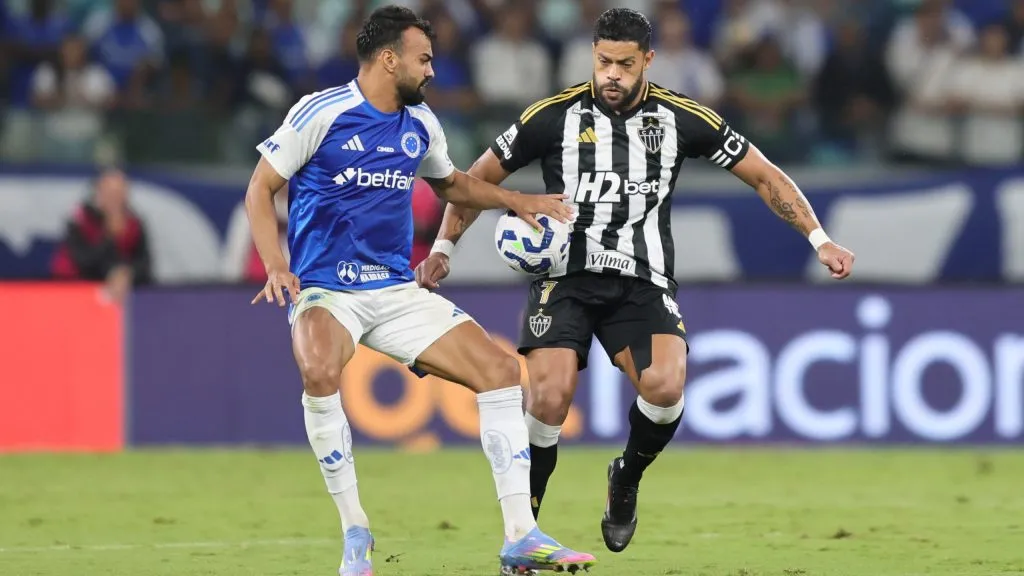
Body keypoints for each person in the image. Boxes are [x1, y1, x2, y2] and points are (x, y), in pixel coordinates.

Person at [415, 7, 855, 555]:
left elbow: (764, 176)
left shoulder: (683, 118)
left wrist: (820, 239)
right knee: (548, 398)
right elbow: (475, 180)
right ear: (592, 57)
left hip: (641, 280)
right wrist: (442, 249)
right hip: (565, 278)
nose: (612, 75)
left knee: (667, 390)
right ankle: (523, 531)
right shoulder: (551, 117)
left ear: (648, 60)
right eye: (603, 62)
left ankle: (626, 476)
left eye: (625, 63)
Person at [244, 6, 597, 576]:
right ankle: (355, 531)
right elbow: (261, 189)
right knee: (318, 369)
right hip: (328, 291)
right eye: (423, 58)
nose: (432, 70)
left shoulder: (421, 125)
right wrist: (275, 264)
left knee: (502, 372)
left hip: (395, 288)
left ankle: (520, 536)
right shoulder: (323, 112)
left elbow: (452, 183)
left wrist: (520, 201)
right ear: (390, 59)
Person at [51, 167, 153, 302]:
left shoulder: (134, 223)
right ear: (98, 192)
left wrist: (127, 274)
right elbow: (83, 262)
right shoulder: (80, 220)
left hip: (119, 290)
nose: (115, 198)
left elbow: (144, 263)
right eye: (110, 192)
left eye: (120, 192)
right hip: (73, 292)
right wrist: (109, 236)